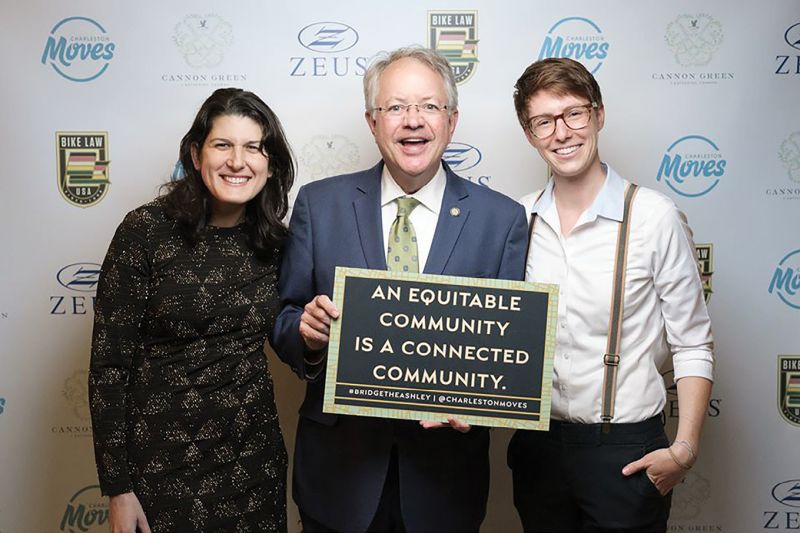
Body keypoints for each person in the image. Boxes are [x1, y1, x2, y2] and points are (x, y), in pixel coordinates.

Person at [273, 46, 528, 533]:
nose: (413, 121)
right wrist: (305, 336)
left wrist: (478, 408)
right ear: (372, 122)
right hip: (338, 480)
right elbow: (284, 317)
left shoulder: (501, 220)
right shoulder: (319, 205)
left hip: (444, 486)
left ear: (451, 121)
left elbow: (509, 355)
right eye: (395, 107)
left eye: (429, 106)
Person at [506, 57, 715, 532]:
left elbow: (693, 342)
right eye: (544, 121)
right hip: (539, 448)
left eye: (574, 113)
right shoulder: (517, 219)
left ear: (598, 115)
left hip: (625, 452)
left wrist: (683, 449)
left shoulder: (653, 216)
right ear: (529, 133)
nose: (562, 132)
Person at [88, 88, 294, 533]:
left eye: (254, 148)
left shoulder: (277, 244)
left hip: (252, 466)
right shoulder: (144, 231)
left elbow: (297, 341)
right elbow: (108, 369)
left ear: (271, 163)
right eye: (223, 145)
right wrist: (118, 489)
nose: (238, 162)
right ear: (196, 154)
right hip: (160, 472)